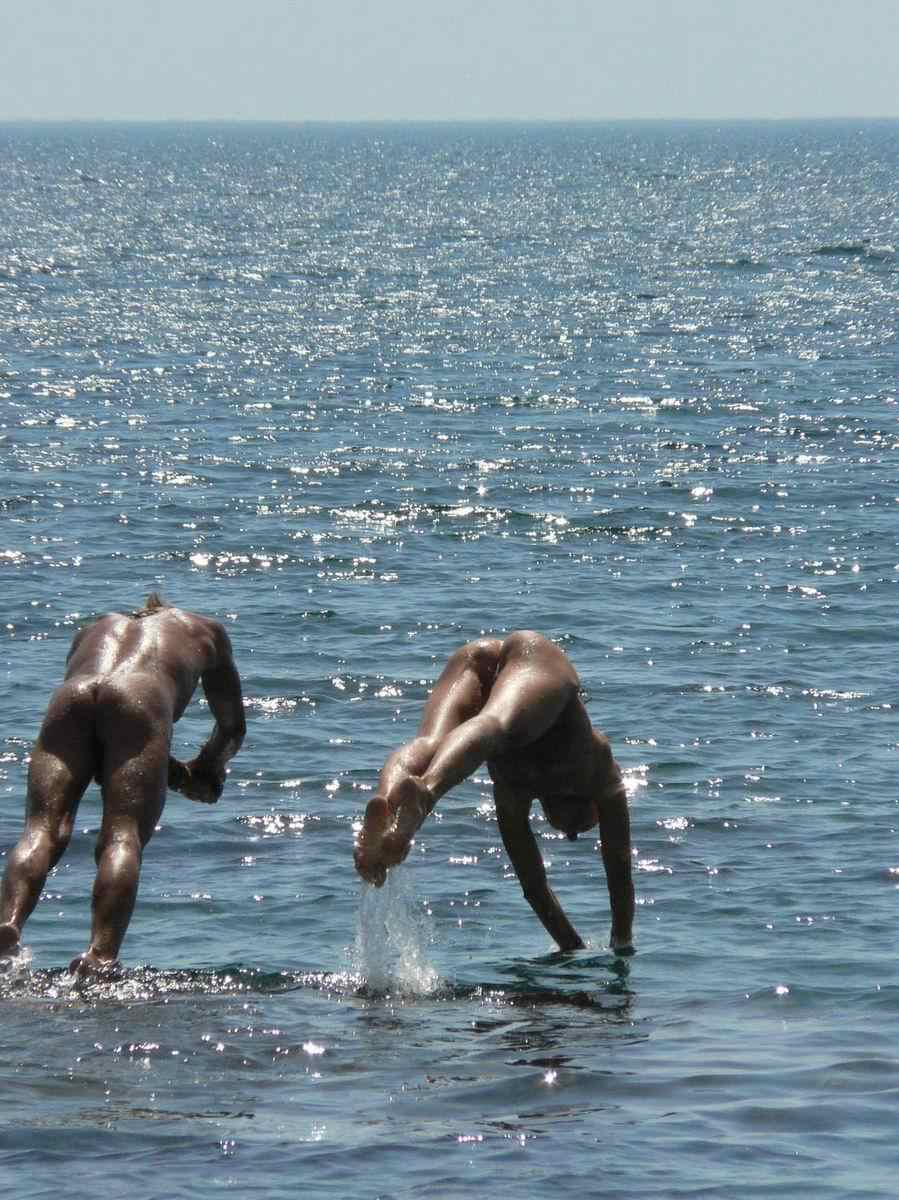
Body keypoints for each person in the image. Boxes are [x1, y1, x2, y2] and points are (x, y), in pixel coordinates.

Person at [0, 595, 246, 977]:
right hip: (140, 697)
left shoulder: (92, 631)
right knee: (122, 837)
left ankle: (8, 925)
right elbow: (232, 727)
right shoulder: (205, 630)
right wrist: (206, 768)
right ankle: (99, 956)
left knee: (41, 829)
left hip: (73, 695)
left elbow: (101, 735)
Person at [354, 630, 634, 953]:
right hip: (533, 657)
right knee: (497, 722)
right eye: (583, 828)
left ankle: (386, 811)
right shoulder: (599, 769)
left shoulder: (514, 789)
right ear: (593, 805)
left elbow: (534, 886)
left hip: (478, 662)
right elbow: (618, 869)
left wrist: (573, 948)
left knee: (430, 744)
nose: (571, 836)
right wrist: (622, 944)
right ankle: (425, 793)